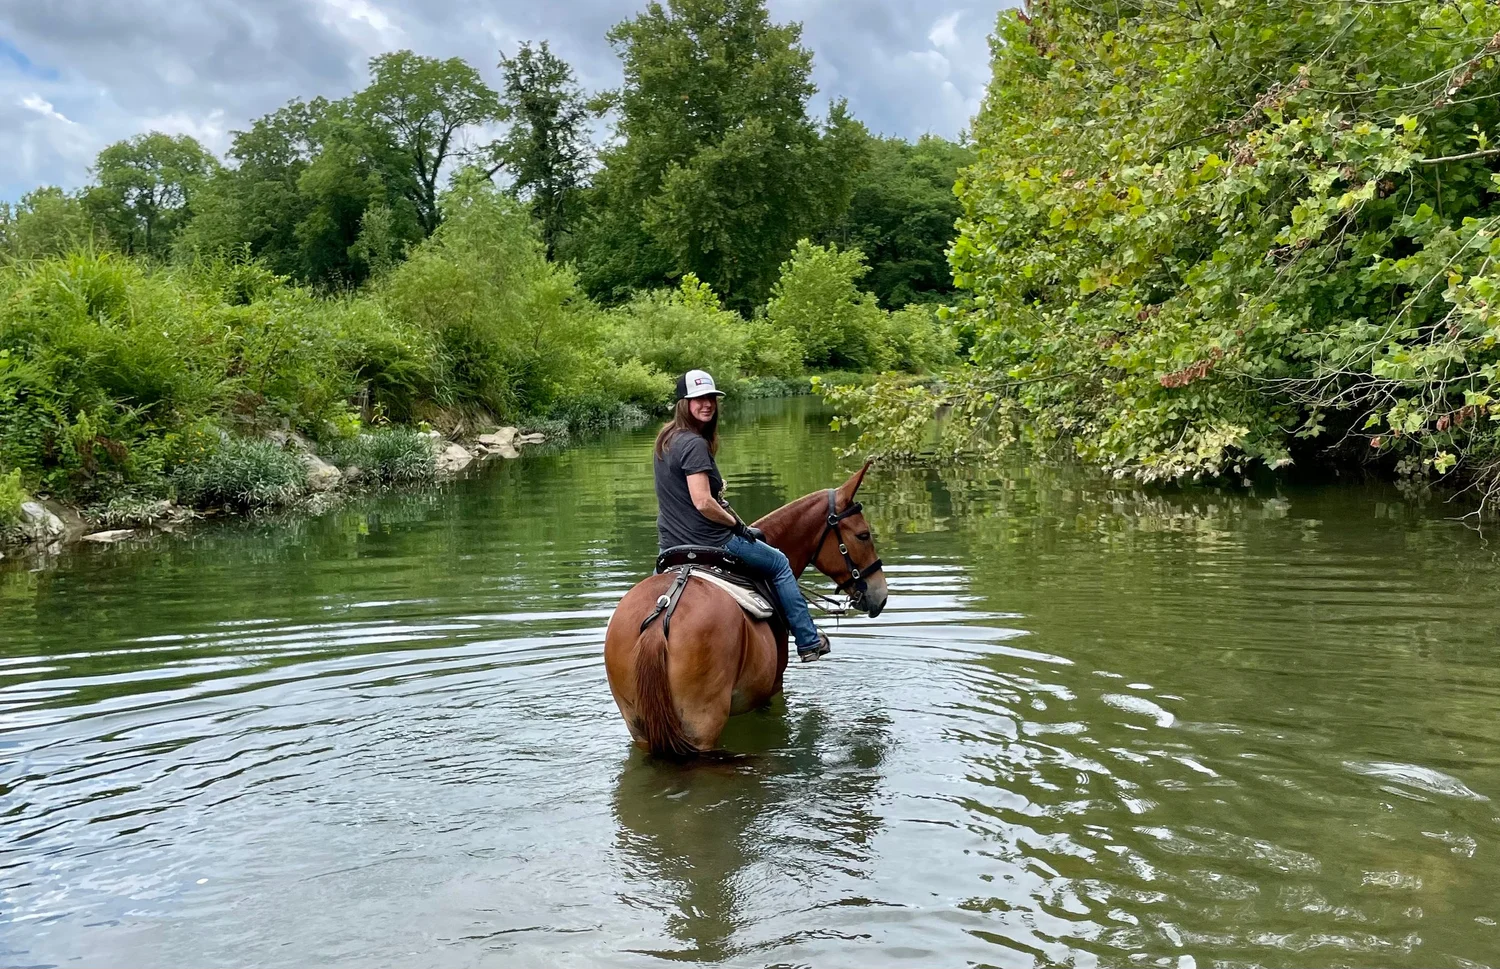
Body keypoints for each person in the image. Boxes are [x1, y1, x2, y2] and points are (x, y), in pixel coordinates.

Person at [653, 368, 832, 662]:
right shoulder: (694, 444)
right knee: (779, 563)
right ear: (683, 403)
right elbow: (703, 503)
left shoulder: (666, 439)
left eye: (710, 397)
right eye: (698, 399)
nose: (707, 404)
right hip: (710, 541)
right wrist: (738, 526)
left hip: (669, 546)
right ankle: (808, 639)